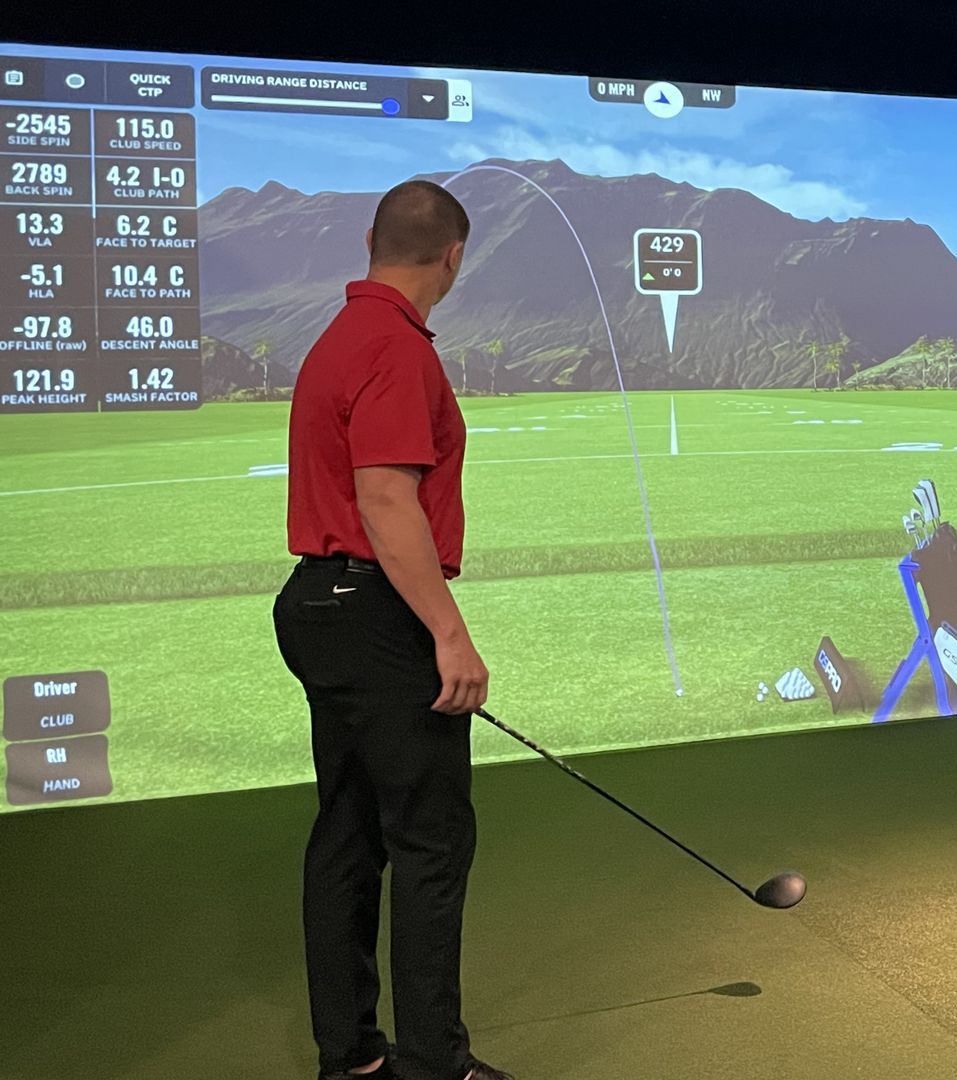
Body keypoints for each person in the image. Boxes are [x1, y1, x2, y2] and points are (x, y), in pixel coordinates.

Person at [273, 179, 512, 1080]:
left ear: (372, 239)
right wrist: (449, 635)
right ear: (453, 258)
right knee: (429, 837)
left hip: (318, 606)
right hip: (373, 613)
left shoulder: (339, 337)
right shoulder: (396, 348)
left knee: (346, 833)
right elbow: (384, 497)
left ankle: (352, 1058)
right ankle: (431, 1063)